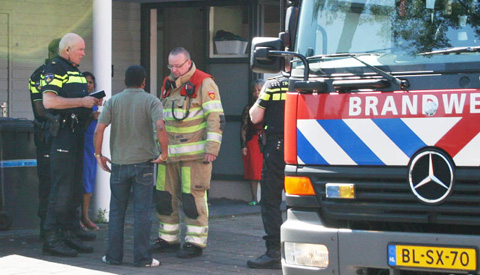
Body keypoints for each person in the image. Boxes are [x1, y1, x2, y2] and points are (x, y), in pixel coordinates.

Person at [151, 47, 225, 258]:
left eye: (178, 66)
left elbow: (216, 117)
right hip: (168, 155)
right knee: (164, 198)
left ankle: (195, 242)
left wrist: (212, 148)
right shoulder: (168, 83)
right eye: (171, 66)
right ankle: (168, 238)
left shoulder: (204, 82)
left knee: (192, 199)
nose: (174, 70)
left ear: (188, 62)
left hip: (194, 155)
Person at [94, 65, 168, 267]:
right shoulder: (152, 101)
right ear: (144, 81)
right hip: (144, 164)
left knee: (117, 212)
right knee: (142, 212)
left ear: (125, 80)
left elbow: (99, 130)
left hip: (118, 164)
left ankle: (113, 257)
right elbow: (160, 126)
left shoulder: (114, 102)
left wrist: (99, 155)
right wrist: (164, 152)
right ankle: (143, 258)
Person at [41, 33, 102, 257]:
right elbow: (49, 101)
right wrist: (82, 102)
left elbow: (76, 100)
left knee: (74, 186)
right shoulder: (55, 68)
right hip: (63, 136)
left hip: (76, 134)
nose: (83, 53)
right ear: (67, 49)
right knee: (61, 189)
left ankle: (70, 233)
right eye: (80, 50)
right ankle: (52, 239)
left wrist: (91, 102)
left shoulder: (73, 70)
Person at [247, 74, 289, 269]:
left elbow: (255, 116)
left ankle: (274, 252)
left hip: (278, 147)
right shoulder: (309, 79)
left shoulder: (273, 84)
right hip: (307, 146)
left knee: (271, 199)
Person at [28, 38, 60, 239]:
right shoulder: (40, 75)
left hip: (61, 136)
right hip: (47, 133)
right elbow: (41, 109)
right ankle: (47, 231)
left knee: (63, 183)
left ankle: (62, 229)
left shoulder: (59, 72)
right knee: (48, 184)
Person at [240, 79, 265, 206]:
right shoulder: (248, 108)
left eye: (259, 90)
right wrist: (243, 145)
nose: (256, 93)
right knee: (253, 170)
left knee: (266, 171)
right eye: (254, 90)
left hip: (266, 141)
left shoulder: (269, 106)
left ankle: (265, 198)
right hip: (253, 141)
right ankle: (254, 198)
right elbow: (244, 128)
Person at [81, 71, 100, 231]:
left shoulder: (95, 103)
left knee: (90, 179)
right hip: (81, 146)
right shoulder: (78, 103)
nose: (89, 85)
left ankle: (85, 216)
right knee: (82, 180)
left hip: (92, 146)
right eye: (86, 82)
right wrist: (90, 116)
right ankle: (79, 217)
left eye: (91, 82)